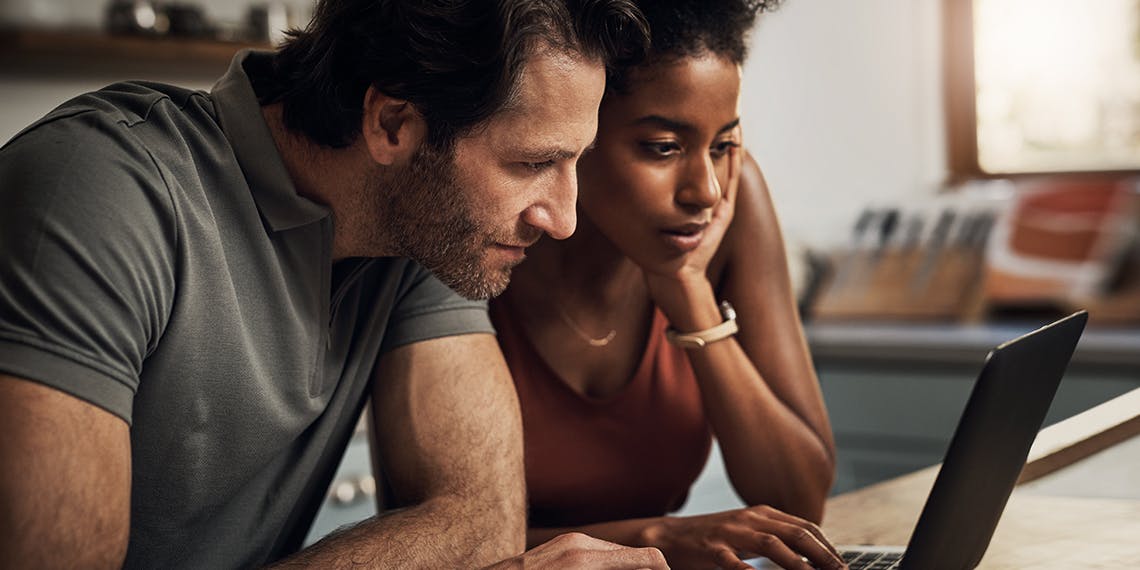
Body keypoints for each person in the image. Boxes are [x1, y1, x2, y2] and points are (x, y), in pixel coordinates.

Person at [0, 1, 671, 568]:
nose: (563, 219)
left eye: (574, 161)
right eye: (532, 162)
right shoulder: (97, 194)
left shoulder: (427, 230)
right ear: (392, 125)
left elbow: (479, 526)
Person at [488, 1, 844, 568]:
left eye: (723, 145)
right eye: (662, 147)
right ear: (577, 133)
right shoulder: (484, 240)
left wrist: (689, 293)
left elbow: (798, 499)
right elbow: (438, 542)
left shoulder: (734, 200)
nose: (704, 189)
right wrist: (658, 536)